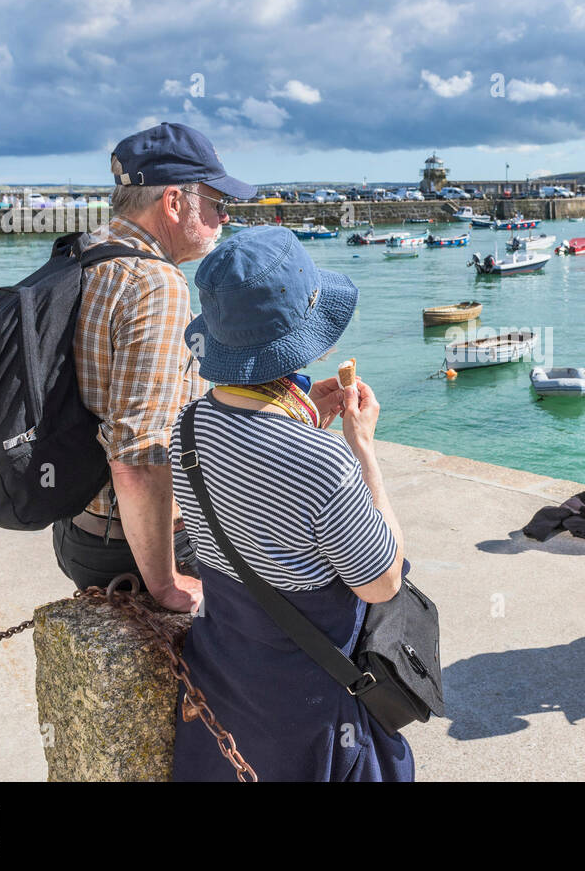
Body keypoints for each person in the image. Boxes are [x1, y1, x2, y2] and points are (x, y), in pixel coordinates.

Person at [169, 227, 411, 782]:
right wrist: (362, 449)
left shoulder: (188, 425)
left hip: (225, 681)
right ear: (305, 337)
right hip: (308, 705)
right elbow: (382, 583)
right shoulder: (324, 460)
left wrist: (299, 418)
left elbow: (250, 482)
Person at [50, 122, 255, 614]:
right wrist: (165, 583)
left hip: (80, 524)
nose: (224, 217)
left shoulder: (83, 252)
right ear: (173, 203)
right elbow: (139, 453)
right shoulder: (156, 285)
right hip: (136, 548)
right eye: (217, 203)